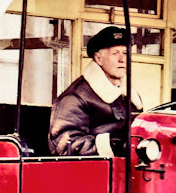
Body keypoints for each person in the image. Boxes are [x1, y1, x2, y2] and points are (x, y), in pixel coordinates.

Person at [48, 26, 142, 157]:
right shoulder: (75, 97)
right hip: (93, 173)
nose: (122, 59)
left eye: (126, 53)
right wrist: (113, 146)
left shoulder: (129, 96)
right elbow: (65, 145)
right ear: (98, 59)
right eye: (115, 53)